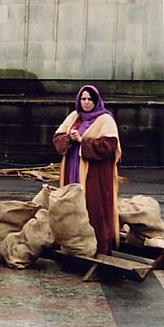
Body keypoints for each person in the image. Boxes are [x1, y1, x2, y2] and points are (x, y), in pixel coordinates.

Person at [54, 85, 121, 255]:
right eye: (83, 99)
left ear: (96, 101)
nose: (86, 102)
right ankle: (73, 245)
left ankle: (98, 247)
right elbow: (57, 137)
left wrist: (82, 140)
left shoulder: (105, 119)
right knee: (72, 205)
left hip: (94, 173)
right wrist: (69, 138)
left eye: (89, 99)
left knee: (94, 206)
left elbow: (109, 146)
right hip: (73, 168)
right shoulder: (74, 116)